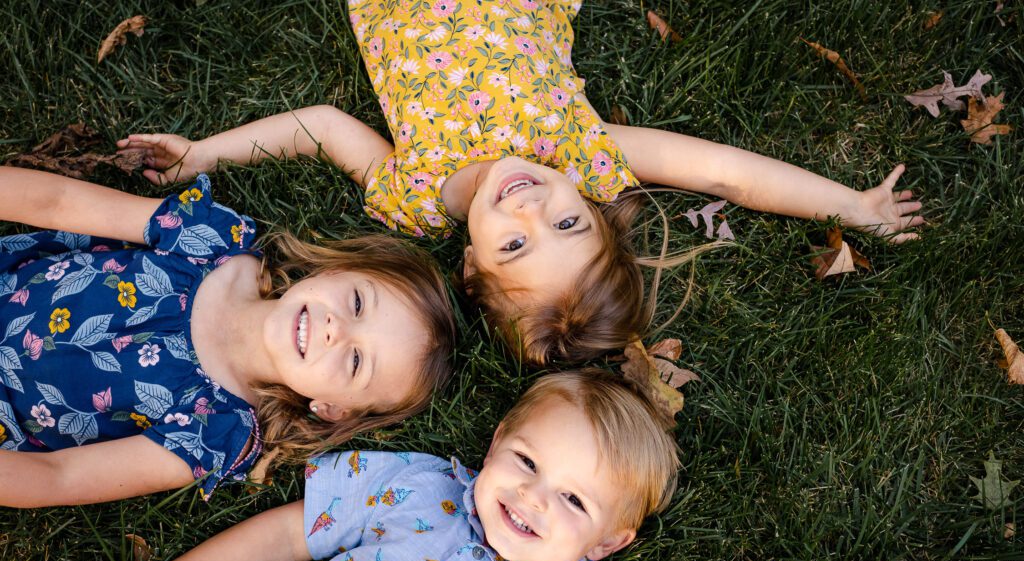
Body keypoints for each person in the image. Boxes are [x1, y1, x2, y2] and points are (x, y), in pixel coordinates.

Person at [117, 0, 925, 365]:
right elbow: (725, 170)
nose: (532, 205)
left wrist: (201, 155)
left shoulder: (415, 194)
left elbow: (325, 125)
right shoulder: (579, 149)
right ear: (598, 207)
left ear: (470, 266)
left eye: (514, 243)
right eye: (569, 224)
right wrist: (851, 205)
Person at [85, 369, 678, 561]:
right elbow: (289, 533)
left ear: (607, 542)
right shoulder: (419, 489)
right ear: (497, 441)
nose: (533, 497)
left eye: (573, 500)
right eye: (526, 461)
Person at [0, 167, 456, 508]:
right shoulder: (212, 241)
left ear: (332, 409)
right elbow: (58, 201)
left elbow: (58, 478)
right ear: (339, 271)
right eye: (357, 303)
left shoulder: (217, 428)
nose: (338, 330)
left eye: (357, 361)